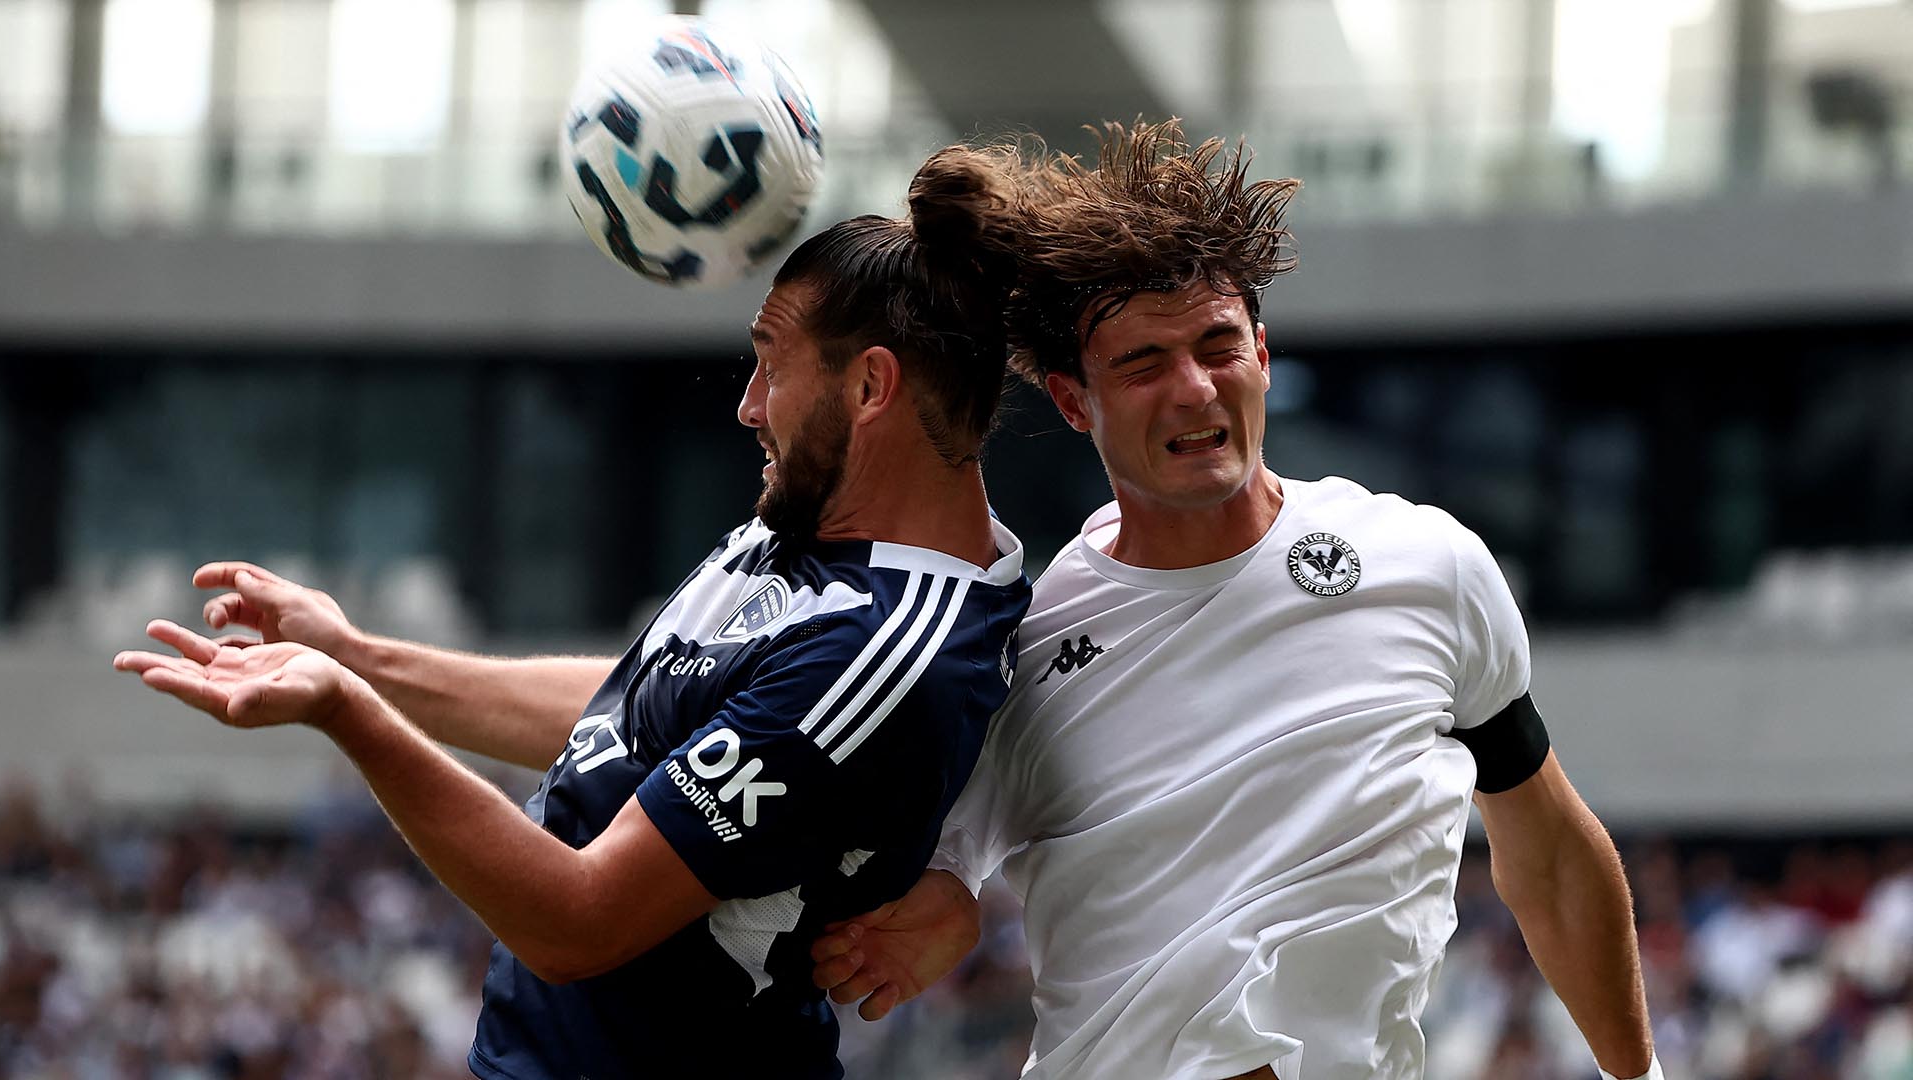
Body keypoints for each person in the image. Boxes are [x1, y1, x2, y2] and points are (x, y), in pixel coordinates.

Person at [112, 151, 1034, 1080]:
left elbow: (577, 921)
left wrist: (345, 710)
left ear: (870, 388)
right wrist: (357, 656)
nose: (749, 407)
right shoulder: (809, 528)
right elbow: (629, 712)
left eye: (769, 366)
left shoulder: (884, 651)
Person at [810, 121, 1663, 1080]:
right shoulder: (1021, 648)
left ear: (1261, 349)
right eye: (1141, 365)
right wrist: (935, 910)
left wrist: (1641, 1076)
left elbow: (1546, 857)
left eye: (1218, 345)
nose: (1193, 389)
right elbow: (933, 879)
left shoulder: (1430, 566)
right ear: (1071, 399)